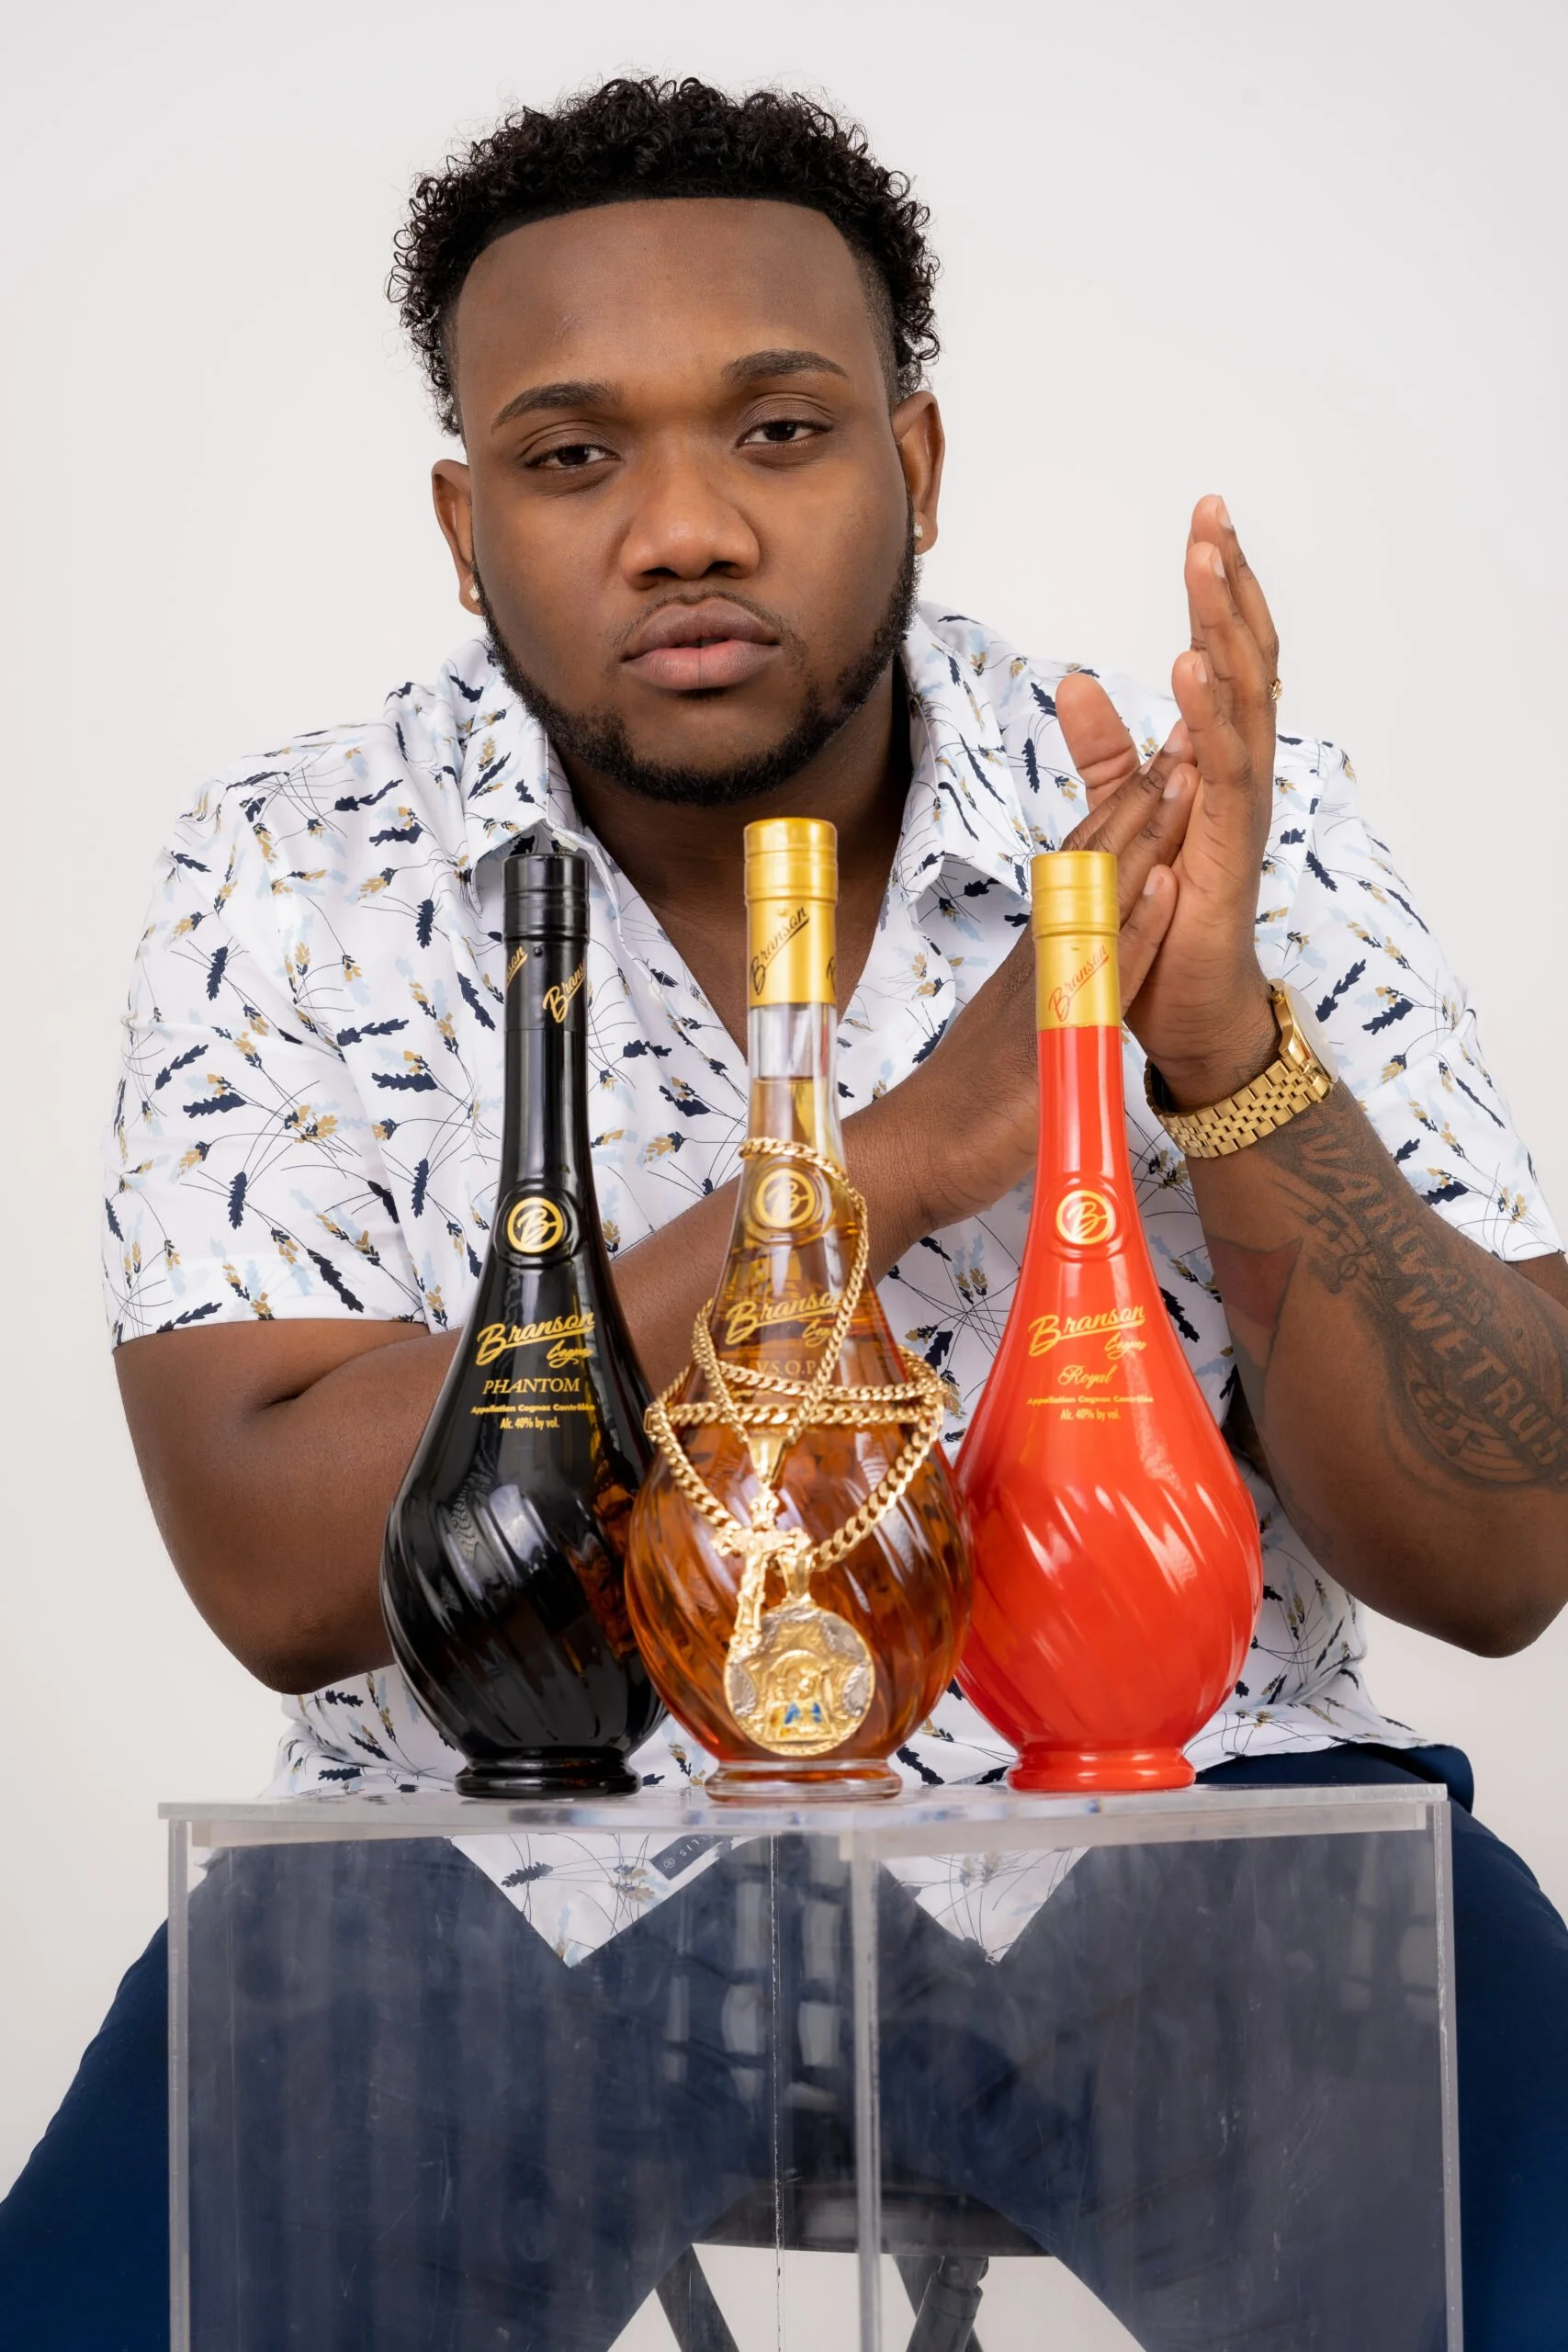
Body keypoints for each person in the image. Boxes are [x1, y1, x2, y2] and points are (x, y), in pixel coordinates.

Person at [4, 74, 1565, 2350]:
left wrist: (1222, 1045)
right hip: (492, 1871)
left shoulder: (1203, 821)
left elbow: (1504, 1553)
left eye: (778, 431)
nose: (682, 529)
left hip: (1188, 1843)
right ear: (463, 523)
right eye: (570, 456)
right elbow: (270, 1563)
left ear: (911, 462)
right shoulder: (296, 863)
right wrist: (881, 1161)